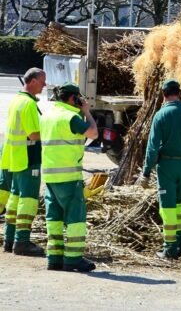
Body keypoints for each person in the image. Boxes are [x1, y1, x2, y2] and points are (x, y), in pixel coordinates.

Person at [140, 79, 181, 259]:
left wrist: (146, 172)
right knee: (178, 204)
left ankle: (169, 247)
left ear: (164, 94)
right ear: (179, 93)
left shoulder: (161, 115)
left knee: (167, 207)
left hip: (167, 166)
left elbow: (152, 148)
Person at [40, 82, 98, 272]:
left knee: (54, 218)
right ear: (74, 98)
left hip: (50, 176)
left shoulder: (47, 115)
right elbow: (93, 133)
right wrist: (86, 112)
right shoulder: (70, 117)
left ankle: (54, 258)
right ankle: (73, 259)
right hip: (69, 177)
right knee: (75, 218)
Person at [1, 67, 46, 256]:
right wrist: (52, 131)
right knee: (28, 201)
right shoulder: (28, 104)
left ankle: (9, 240)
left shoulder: (17, 100)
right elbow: (34, 134)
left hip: (16, 158)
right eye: (42, 81)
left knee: (15, 200)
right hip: (29, 158)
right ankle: (22, 242)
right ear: (33, 81)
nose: (44, 85)